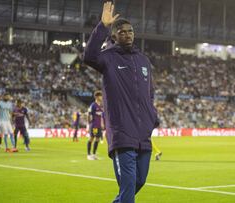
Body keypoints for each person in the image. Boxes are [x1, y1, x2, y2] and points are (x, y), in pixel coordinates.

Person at [83, 2, 159, 202]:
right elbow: (89, 56)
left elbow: (149, 92)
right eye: (122, 32)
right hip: (122, 132)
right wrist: (103, 26)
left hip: (143, 134)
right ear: (114, 36)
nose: (127, 34)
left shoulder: (143, 60)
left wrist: (152, 115)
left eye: (130, 31)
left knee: (139, 181)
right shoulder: (107, 58)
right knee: (127, 189)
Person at [87, 91, 104, 160]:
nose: (102, 97)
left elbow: (101, 116)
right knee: (91, 138)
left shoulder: (100, 106)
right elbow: (88, 114)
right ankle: (88, 155)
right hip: (94, 125)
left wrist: (102, 123)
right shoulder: (93, 105)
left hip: (99, 125)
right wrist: (89, 123)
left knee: (97, 139)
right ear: (97, 97)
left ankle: (94, 154)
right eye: (100, 96)